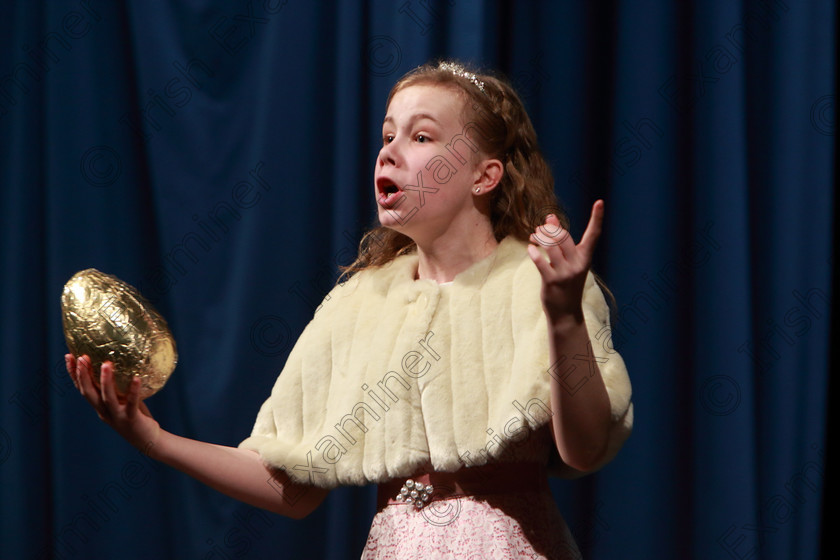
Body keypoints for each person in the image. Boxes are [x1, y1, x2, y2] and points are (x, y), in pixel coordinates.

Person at [66, 60, 633, 559]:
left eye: (422, 137)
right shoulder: (357, 304)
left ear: (484, 176)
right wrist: (154, 439)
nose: (389, 150)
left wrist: (561, 317)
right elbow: (293, 485)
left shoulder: (542, 281)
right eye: (387, 135)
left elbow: (583, 451)